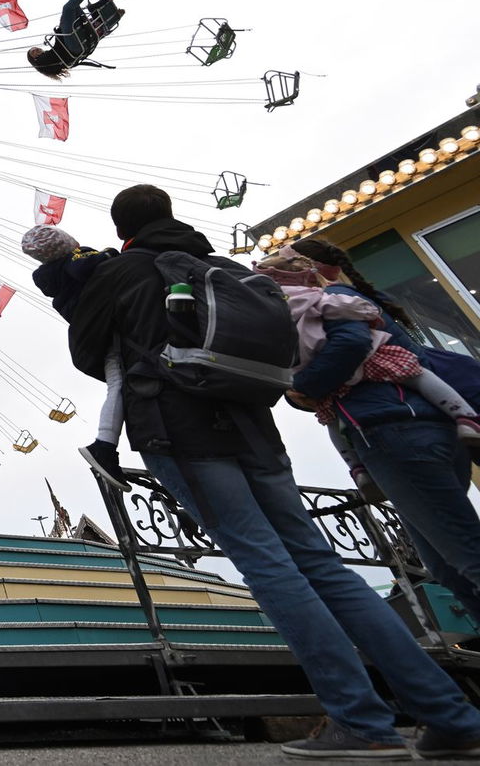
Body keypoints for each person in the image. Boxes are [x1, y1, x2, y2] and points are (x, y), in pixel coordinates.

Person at [67, 184, 480, 760]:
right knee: (322, 565)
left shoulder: (121, 273)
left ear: (120, 229)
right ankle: (449, 715)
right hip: (256, 429)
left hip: (178, 425)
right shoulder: (224, 267)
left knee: (266, 564)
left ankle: (361, 722)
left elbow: (88, 354)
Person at [285, 236, 480, 632]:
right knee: (443, 563)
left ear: (315, 269)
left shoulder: (332, 300)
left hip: (391, 429)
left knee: (466, 553)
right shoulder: (359, 301)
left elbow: (351, 345)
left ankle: (359, 469)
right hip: (424, 424)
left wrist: (305, 384)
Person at [255, 247, 480, 496]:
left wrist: (299, 385)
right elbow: (352, 342)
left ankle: (356, 468)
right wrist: (372, 316)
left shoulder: (273, 311)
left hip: (358, 405)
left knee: (330, 418)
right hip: (399, 406)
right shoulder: (327, 297)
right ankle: (466, 417)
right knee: (417, 374)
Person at [20, 224, 127, 488]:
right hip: (109, 329)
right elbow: (89, 264)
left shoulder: (49, 277)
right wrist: (110, 254)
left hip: (91, 337)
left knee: (119, 382)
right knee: (121, 383)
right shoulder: (75, 261)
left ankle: (106, 444)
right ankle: (104, 444)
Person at [26, 0, 140, 80]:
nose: (37, 50)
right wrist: (59, 31)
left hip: (81, 43)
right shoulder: (43, 63)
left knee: (74, 5)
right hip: (72, 44)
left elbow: (61, 52)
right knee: (68, 8)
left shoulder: (54, 60)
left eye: (35, 49)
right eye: (34, 52)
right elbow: (58, 49)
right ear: (34, 59)